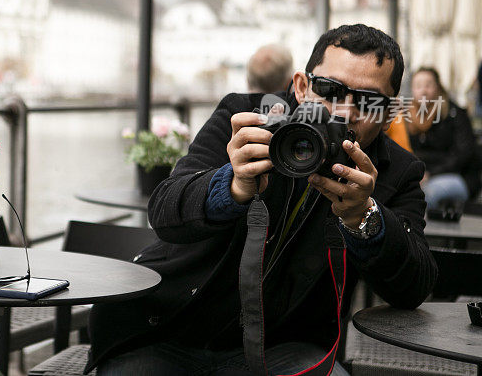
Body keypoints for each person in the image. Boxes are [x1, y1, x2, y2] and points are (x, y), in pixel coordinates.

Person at [86, 24, 436, 375]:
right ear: (301, 87)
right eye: (329, 89)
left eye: (368, 101)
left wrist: (365, 219)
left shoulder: (396, 171)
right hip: (166, 328)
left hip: (283, 347)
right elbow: (163, 211)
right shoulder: (247, 118)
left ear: (389, 113)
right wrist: (232, 186)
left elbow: (413, 287)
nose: (344, 112)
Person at [406, 67, 480, 211]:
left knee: (426, 194)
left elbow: (464, 154)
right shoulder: (409, 117)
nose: (423, 91)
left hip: (459, 176)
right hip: (423, 177)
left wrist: (431, 173)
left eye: (428, 85)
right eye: (418, 86)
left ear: (437, 87)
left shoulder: (454, 113)